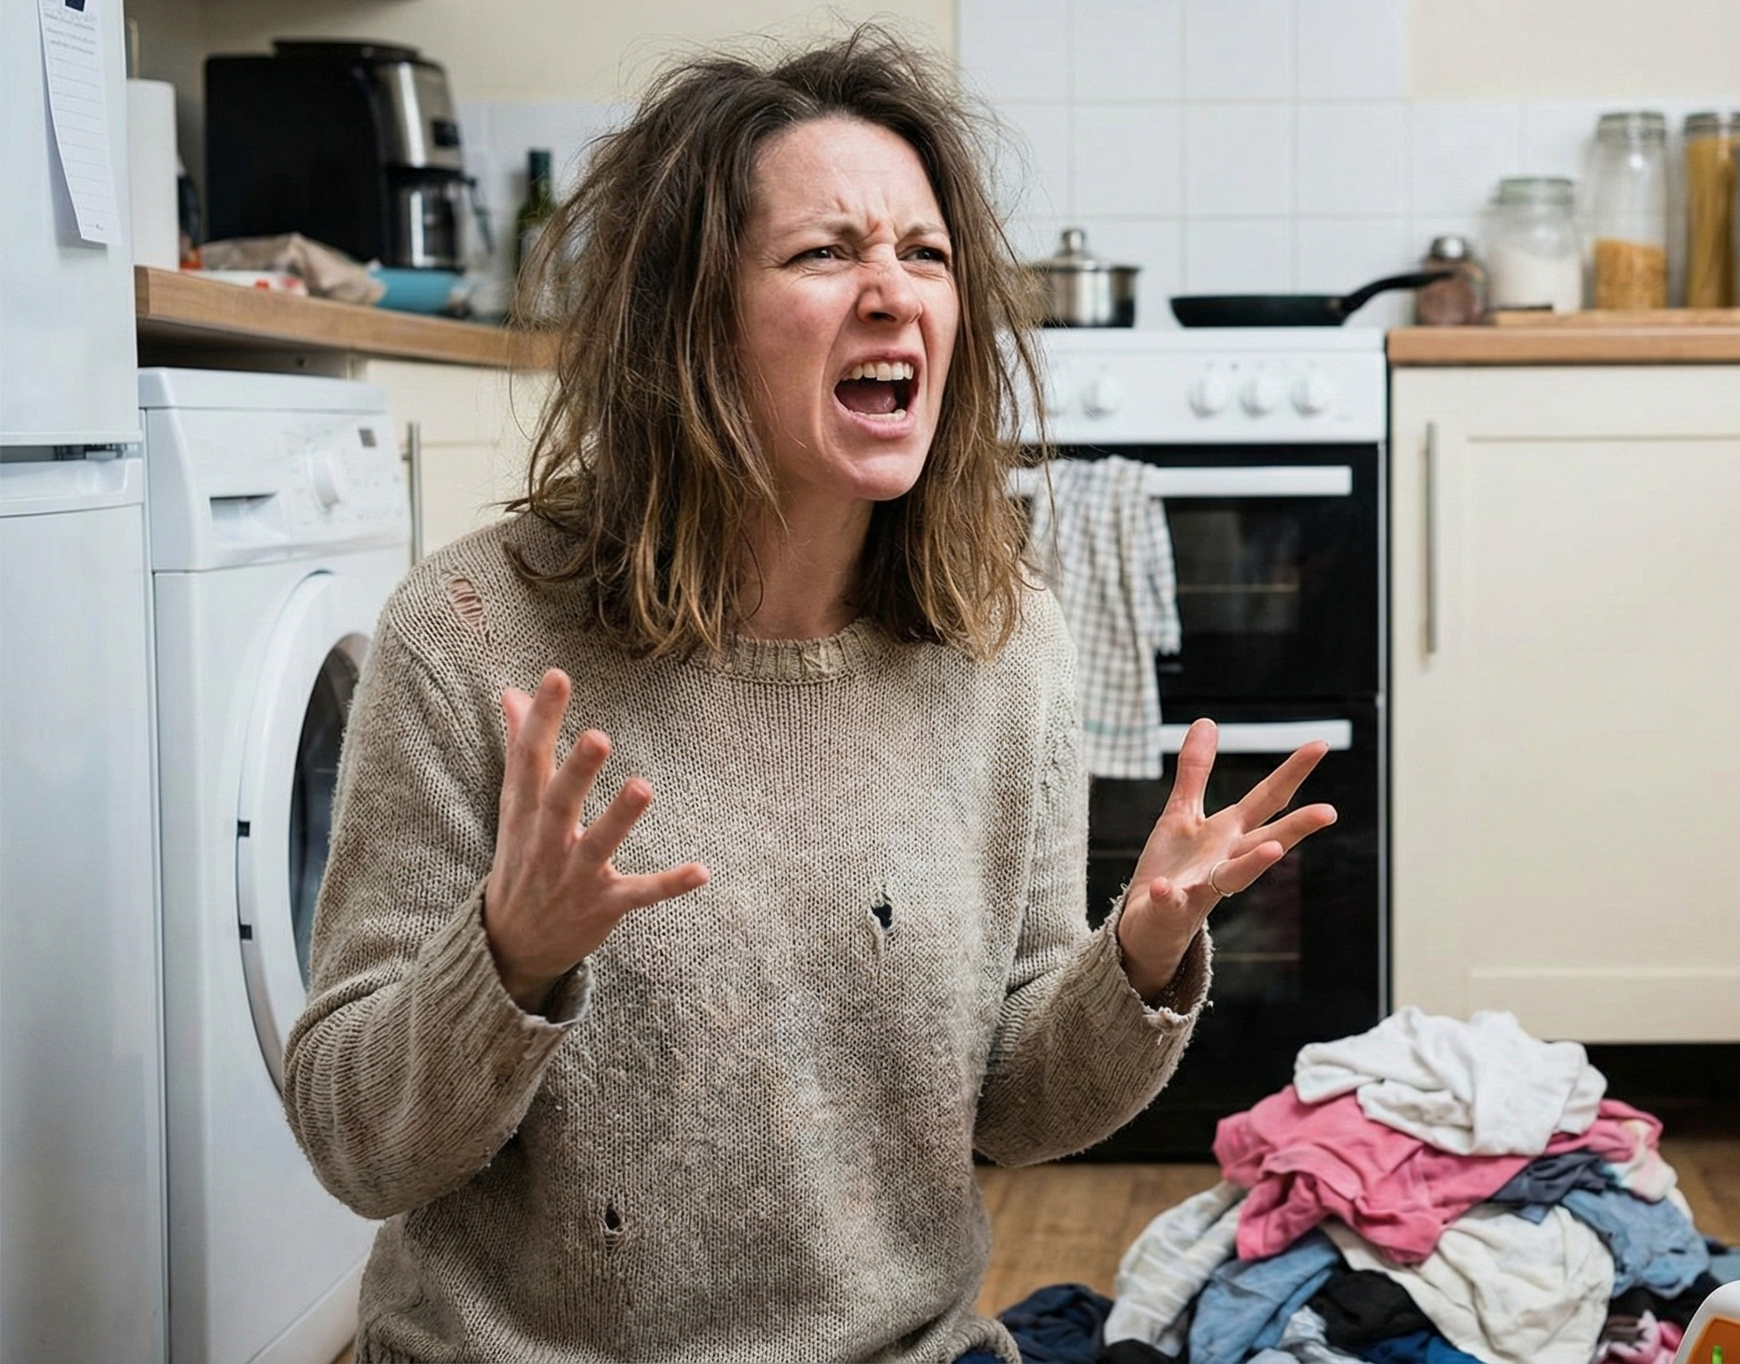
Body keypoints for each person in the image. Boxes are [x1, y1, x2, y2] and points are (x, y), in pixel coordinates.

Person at [282, 27, 1334, 1363]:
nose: (894, 292)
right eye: (826, 253)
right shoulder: (473, 636)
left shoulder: (1007, 649)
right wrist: (509, 958)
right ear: (690, 322)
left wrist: (1136, 960)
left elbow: (1007, 1105)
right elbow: (352, 1141)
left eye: (927, 254)